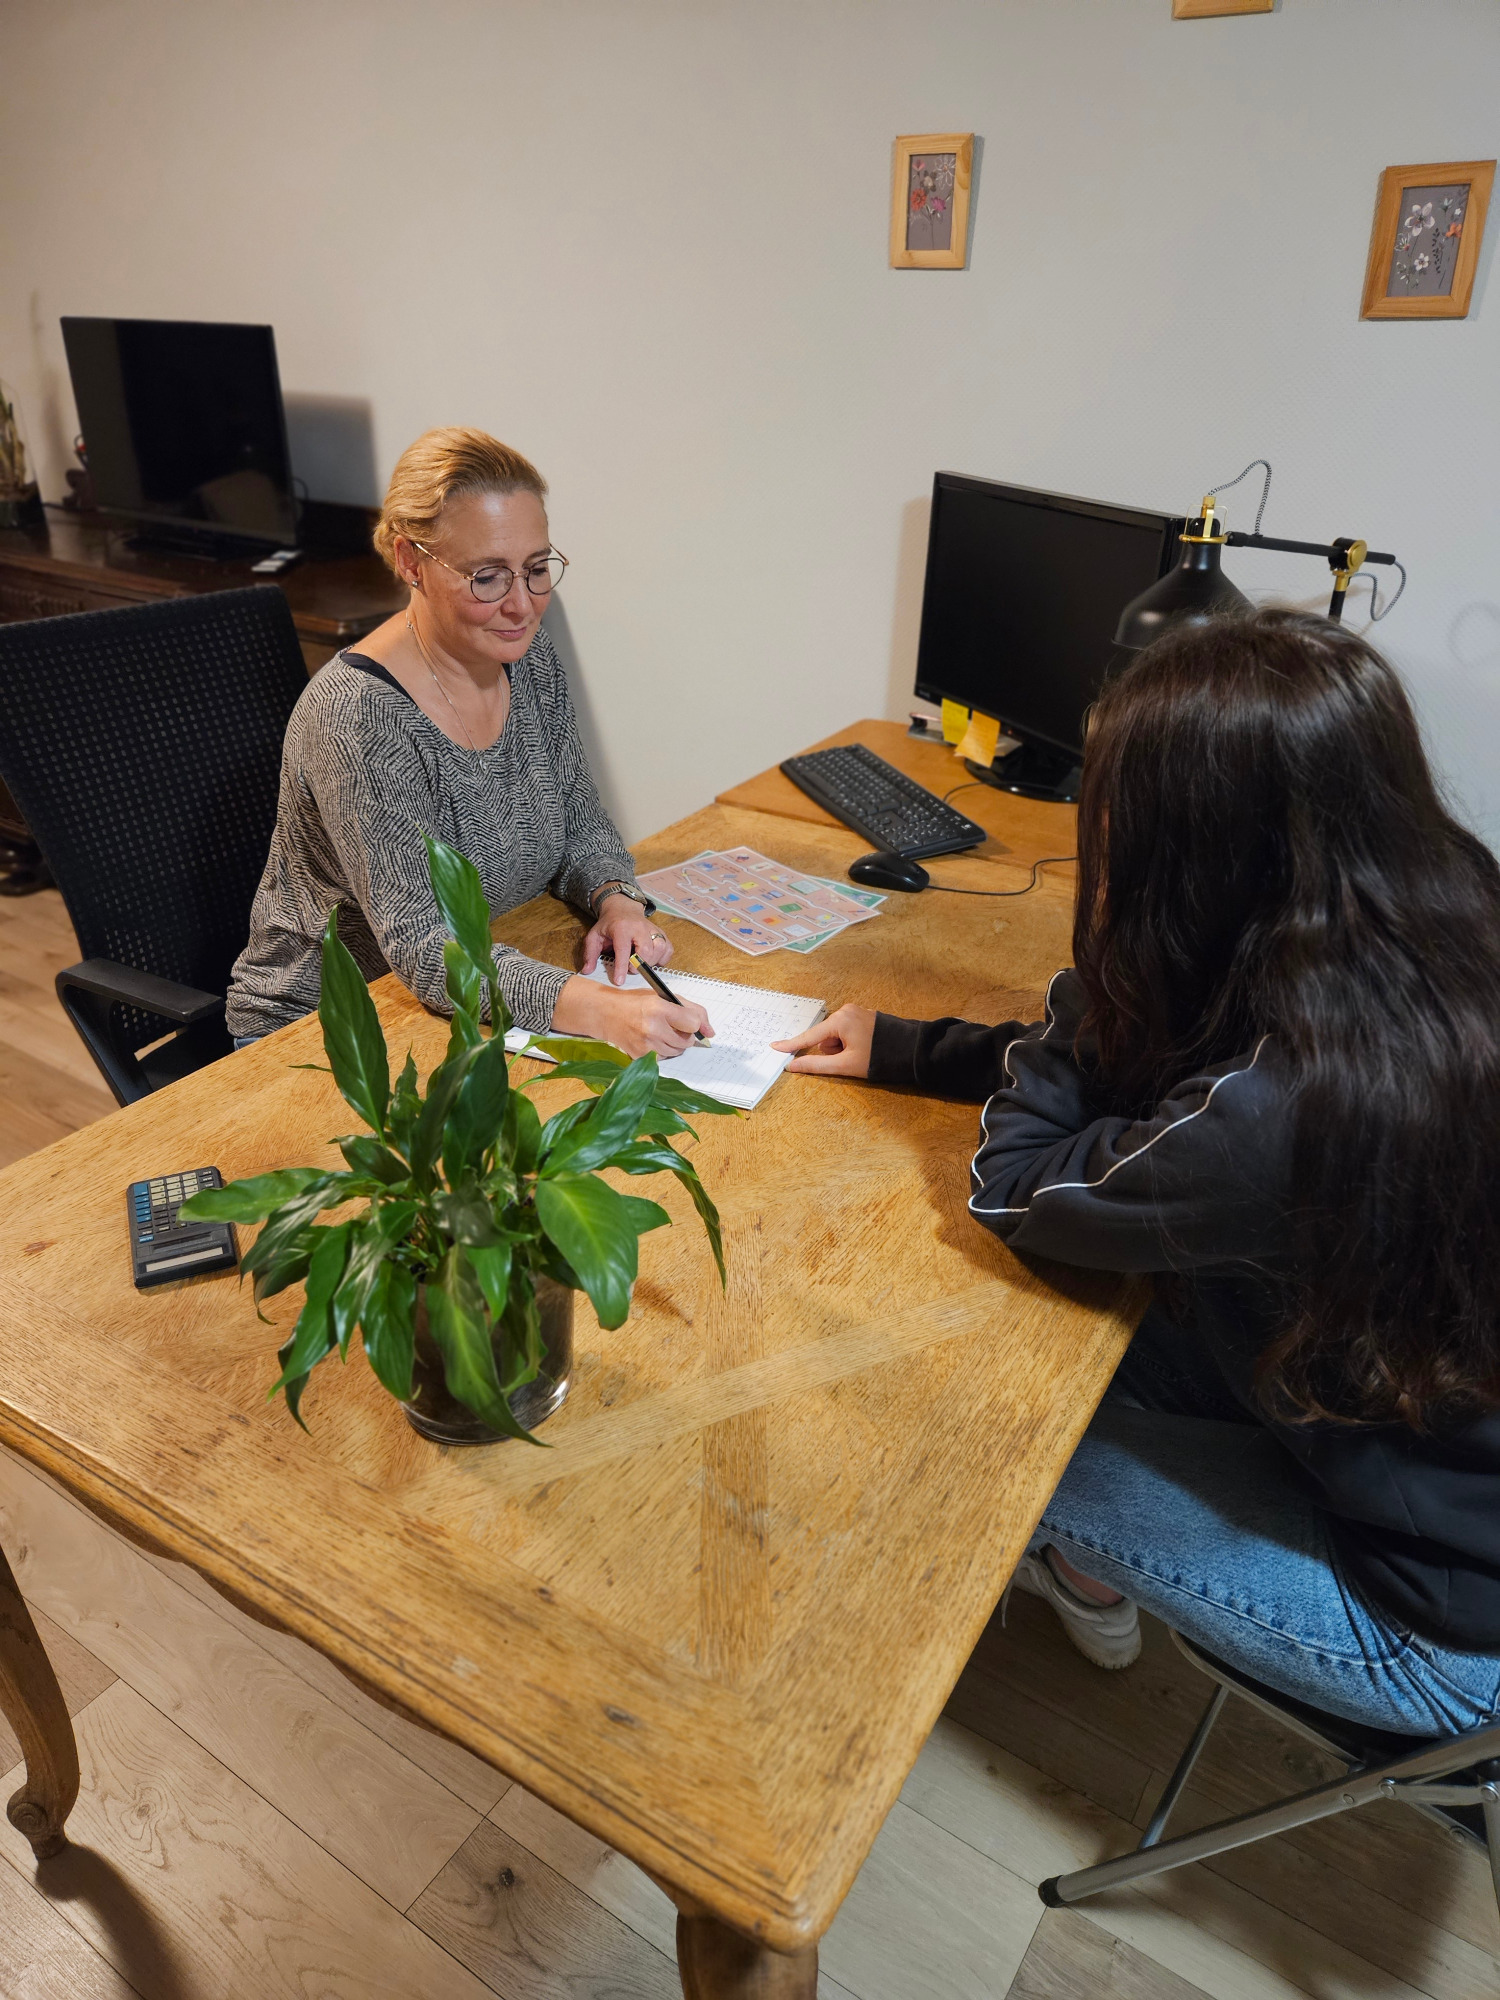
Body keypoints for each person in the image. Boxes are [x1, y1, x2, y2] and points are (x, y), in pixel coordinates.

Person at [774, 608, 1500, 1737]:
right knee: (1069, 1326)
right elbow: (1166, 1071)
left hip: (1432, 1619)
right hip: (1410, 1434)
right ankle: (1097, 1562)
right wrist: (916, 1048)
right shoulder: (1435, 918)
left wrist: (1103, 952)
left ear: (1202, 859)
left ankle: (1071, 1570)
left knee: (968, 1433)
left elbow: (1017, 1185)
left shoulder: (1278, 1106)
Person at [228, 428, 710, 1055]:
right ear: (410, 561)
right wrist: (600, 1009)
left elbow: (580, 820)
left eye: (537, 570)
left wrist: (617, 900)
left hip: (476, 989)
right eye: (488, 578)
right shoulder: (357, 714)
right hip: (330, 1025)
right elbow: (425, 946)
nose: (523, 606)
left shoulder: (527, 659)